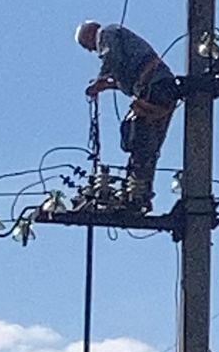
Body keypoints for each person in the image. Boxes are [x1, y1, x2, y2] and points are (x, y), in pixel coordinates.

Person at [75, 21, 178, 210]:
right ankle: (138, 191)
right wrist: (107, 85)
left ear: (90, 34)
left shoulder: (106, 33)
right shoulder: (118, 40)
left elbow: (111, 58)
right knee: (145, 145)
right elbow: (125, 73)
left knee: (139, 135)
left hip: (155, 84)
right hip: (159, 87)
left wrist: (99, 80)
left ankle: (137, 191)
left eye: (86, 45)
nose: (91, 51)